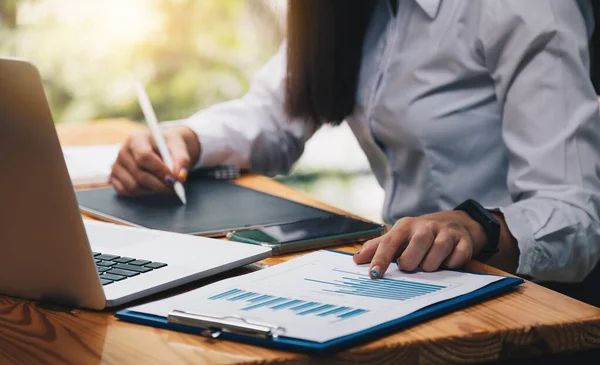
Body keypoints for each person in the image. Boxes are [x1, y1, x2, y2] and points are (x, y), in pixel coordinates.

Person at [110, 0, 600, 289]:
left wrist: (478, 225)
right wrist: (186, 140)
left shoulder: (526, 8)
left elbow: (575, 215)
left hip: (521, 297)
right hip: (398, 279)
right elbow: (276, 114)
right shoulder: (349, 10)